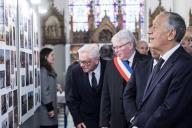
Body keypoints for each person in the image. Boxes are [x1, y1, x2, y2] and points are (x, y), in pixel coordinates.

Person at [131, 11, 192, 128]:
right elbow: (148, 104)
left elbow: (169, 110)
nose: (149, 31)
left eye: (155, 27)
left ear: (171, 34)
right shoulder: (162, 62)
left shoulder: (185, 65)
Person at [99, 29, 148, 128]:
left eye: (119, 47)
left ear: (130, 45)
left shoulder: (148, 62)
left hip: (140, 120)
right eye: (114, 48)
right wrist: (104, 123)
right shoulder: (111, 65)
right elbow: (106, 95)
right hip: (117, 121)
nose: (116, 51)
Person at [67, 44, 106, 128]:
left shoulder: (109, 68)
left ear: (96, 60)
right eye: (80, 61)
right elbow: (73, 98)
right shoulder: (76, 71)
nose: (81, 65)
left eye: (85, 62)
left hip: (107, 120)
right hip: (85, 122)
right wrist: (77, 120)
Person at [123, 49, 160, 124]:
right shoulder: (140, 66)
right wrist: (133, 117)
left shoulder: (177, 66)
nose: (152, 47)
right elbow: (128, 94)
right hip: (137, 121)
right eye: (150, 41)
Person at [39, 48, 58, 128]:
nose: (54, 57)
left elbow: (48, 85)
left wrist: (56, 86)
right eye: (52, 55)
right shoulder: (43, 70)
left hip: (51, 110)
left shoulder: (49, 69)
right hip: (47, 111)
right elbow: (44, 91)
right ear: (46, 57)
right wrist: (50, 108)